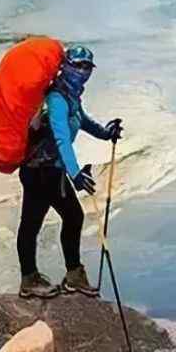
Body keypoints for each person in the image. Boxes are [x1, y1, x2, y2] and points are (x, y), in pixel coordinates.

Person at [17, 45, 123, 299]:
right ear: (66, 66)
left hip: (46, 172)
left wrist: (105, 133)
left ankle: (47, 277)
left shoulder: (69, 96)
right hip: (41, 173)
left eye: (87, 67)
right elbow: (62, 138)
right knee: (49, 221)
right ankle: (45, 278)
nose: (83, 71)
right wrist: (75, 174)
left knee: (52, 220)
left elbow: (82, 121)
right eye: (78, 65)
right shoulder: (56, 99)